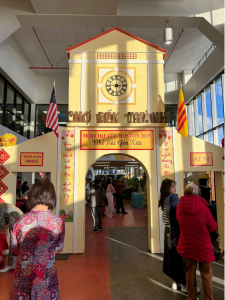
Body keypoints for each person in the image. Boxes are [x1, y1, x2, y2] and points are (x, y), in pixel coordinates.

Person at [10, 179, 65, 300]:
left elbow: (14, 249)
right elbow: (59, 248)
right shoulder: (58, 222)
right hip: (46, 275)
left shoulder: (20, 221)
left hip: (23, 275)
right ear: (52, 197)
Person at [176, 183, 217, 300]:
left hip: (187, 244)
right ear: (198, 193)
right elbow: (212, 226)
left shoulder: (180, 206)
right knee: (206, 273)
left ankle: (191, 297)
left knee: (189, 272)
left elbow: (179, 221)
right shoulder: (203, 207)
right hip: (202, 245)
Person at [159, 179, 188, 292]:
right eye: (172, 186)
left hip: (168, 233)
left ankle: (175, 282)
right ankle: (185, 285)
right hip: (175, 234)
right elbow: (178, 217)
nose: (175, 188)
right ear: (167, 188)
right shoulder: (174, 198)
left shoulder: (165, 199)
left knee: (172, 258)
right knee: (180, 259)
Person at [0, 203, 23, 272]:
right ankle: (15, 263)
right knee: (17, 242)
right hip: (20, 218)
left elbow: (1, 228)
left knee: (13, 242)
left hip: (15, 218)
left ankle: (10, 265)